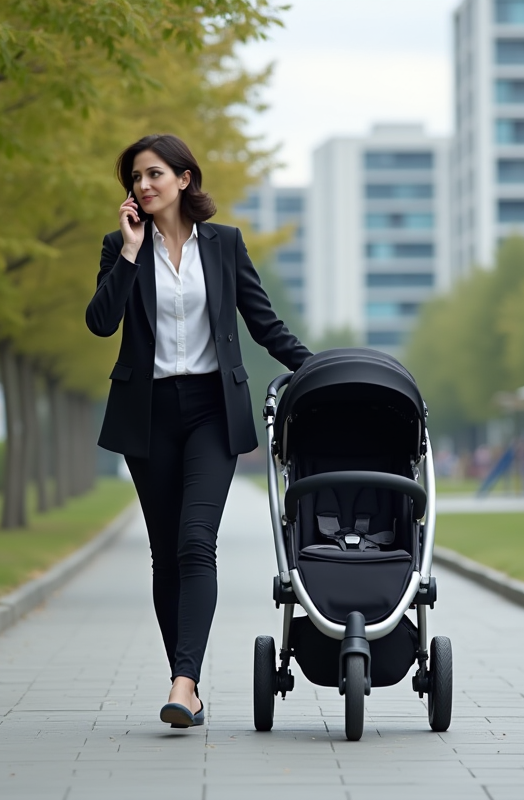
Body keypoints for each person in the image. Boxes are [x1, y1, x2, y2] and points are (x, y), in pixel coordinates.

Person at [86, 134, 311, 728]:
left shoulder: (225, 245)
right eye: (135, 178)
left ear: (185, 179)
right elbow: (100, 323)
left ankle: (182, 684)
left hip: (212, 409)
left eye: (154, 174)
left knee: (194, 541)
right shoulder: (120, 247)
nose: (143, 186)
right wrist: (132, 253)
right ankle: (187, 683)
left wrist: (317, 369)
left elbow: (264, 323)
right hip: (148, 413)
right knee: (165, 554)